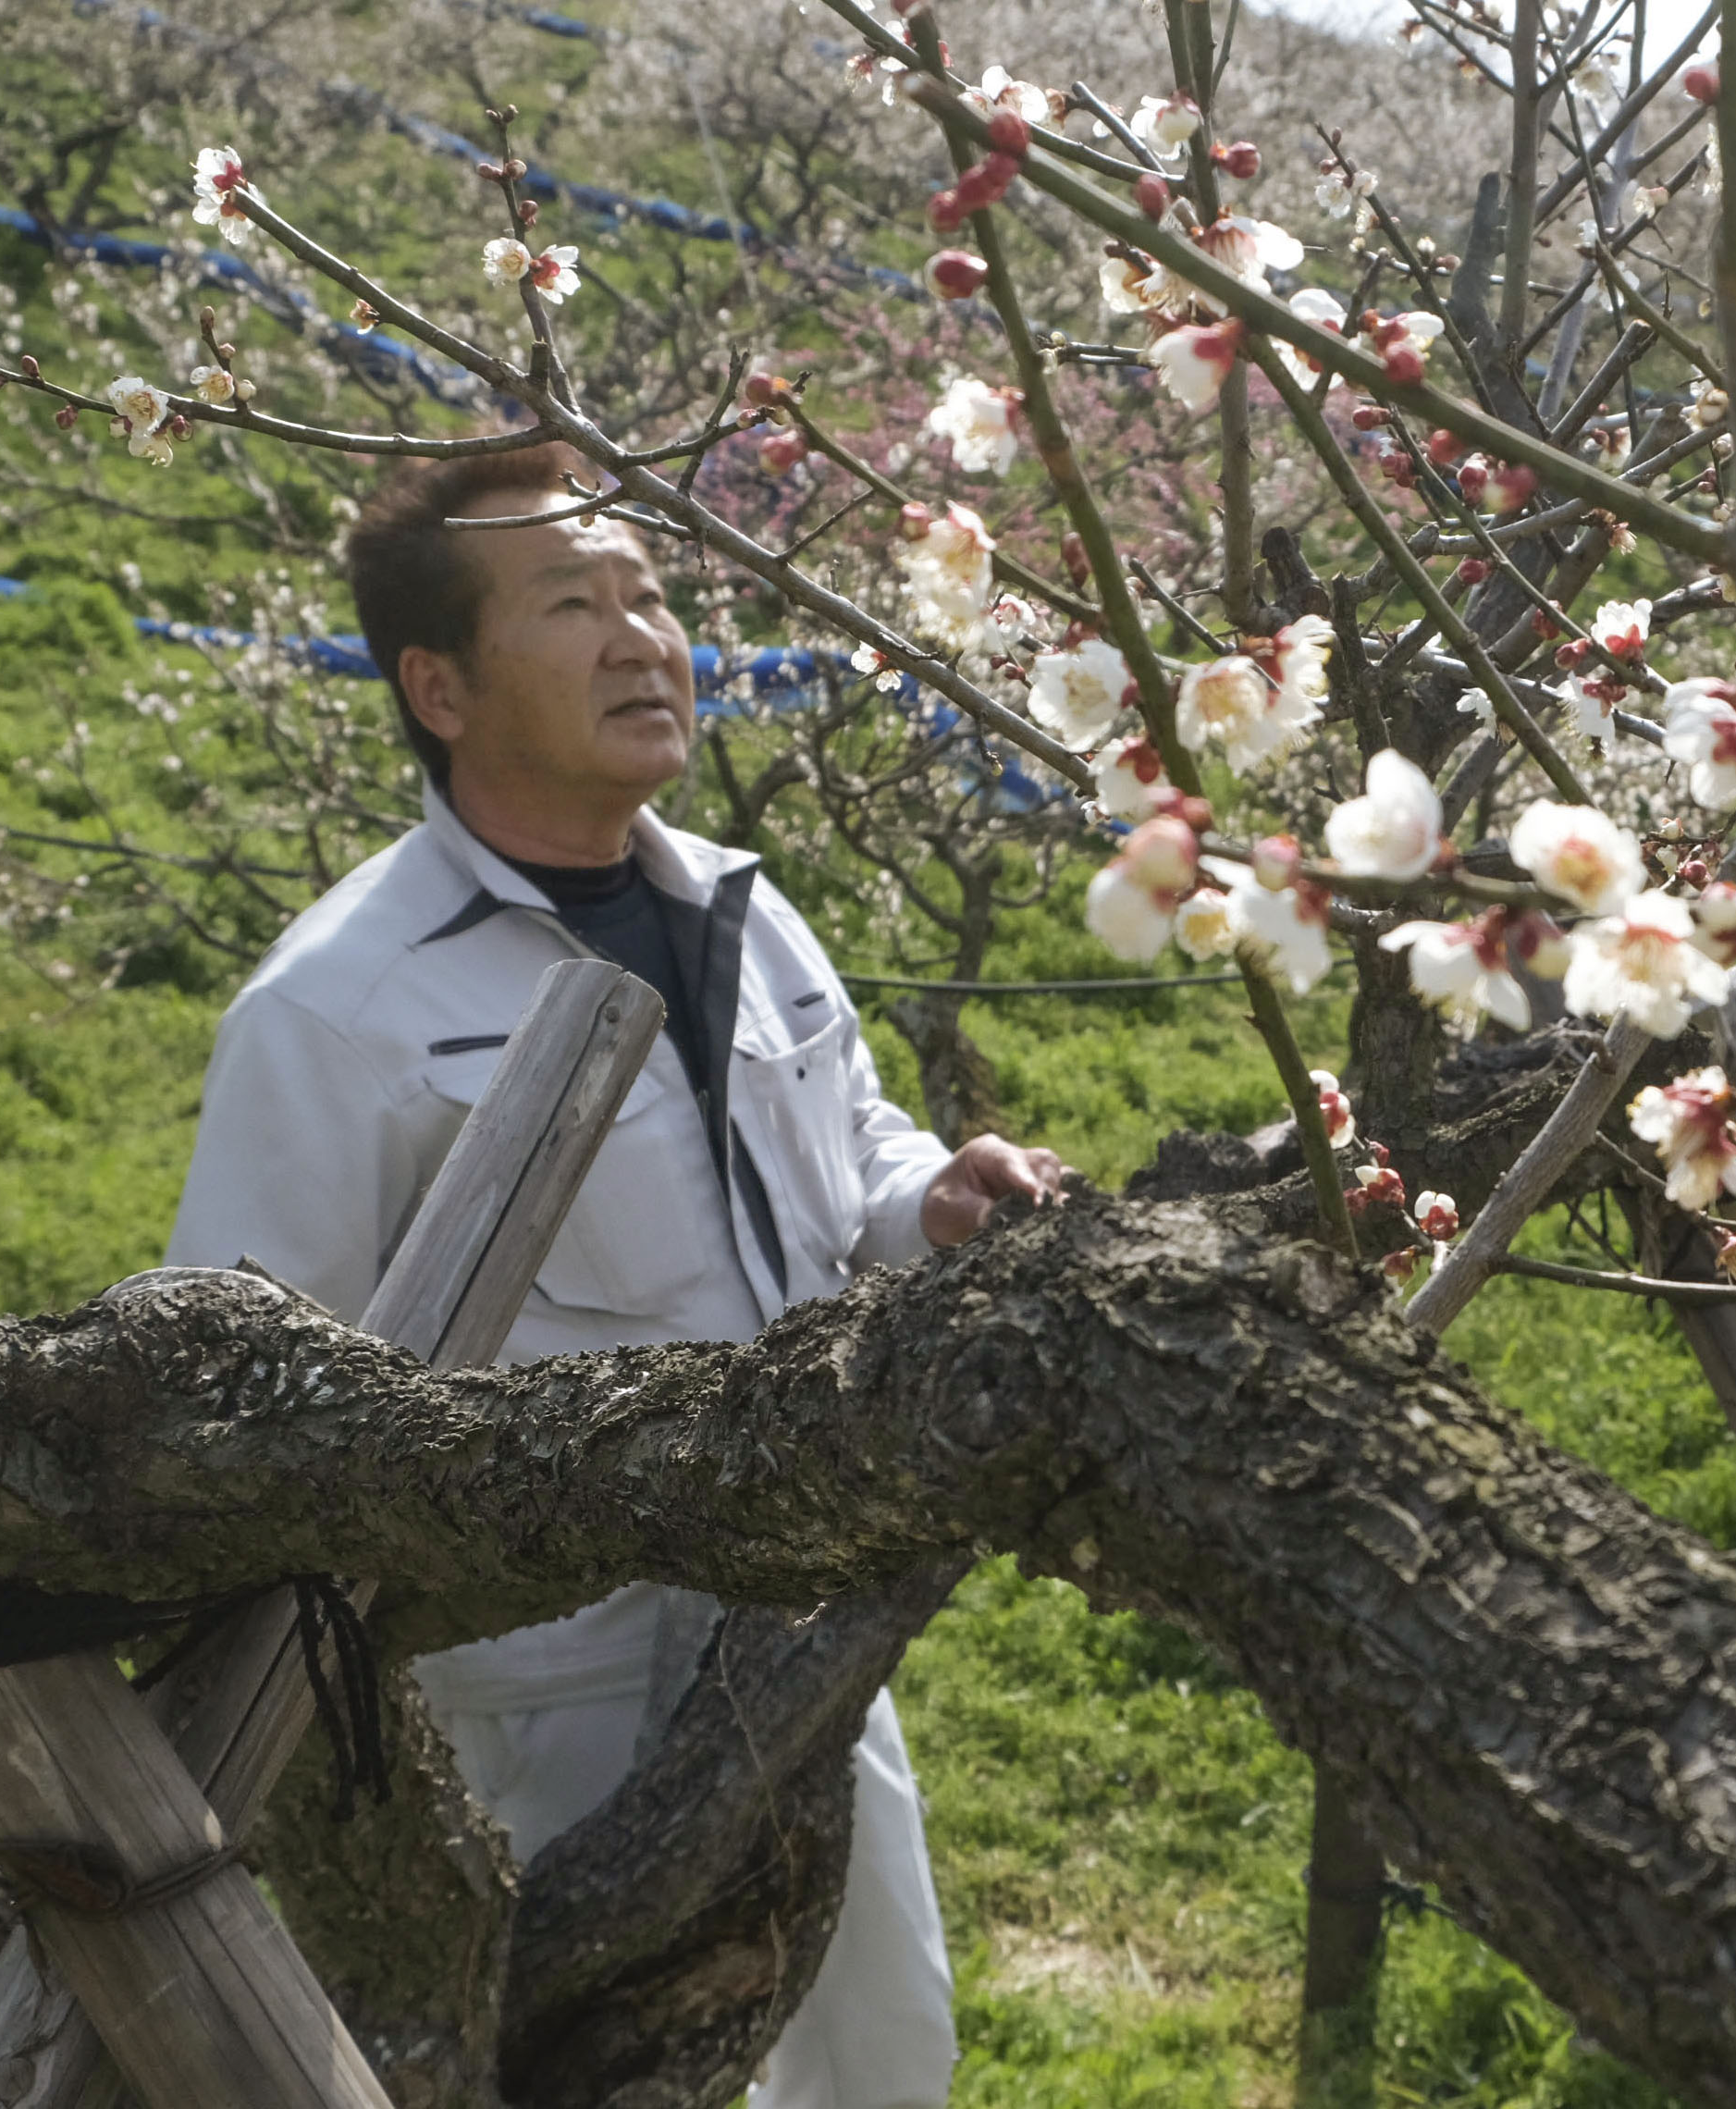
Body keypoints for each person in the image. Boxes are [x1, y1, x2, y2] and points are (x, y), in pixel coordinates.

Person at [166, 439, 1061, 2109]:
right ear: (438, 683)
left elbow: (845, 1152)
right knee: (560, 2075)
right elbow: (230, 1391)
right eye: (574, 602)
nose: (646, 637)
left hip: (797, 1627)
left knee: (876, 2057)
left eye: (652, 594)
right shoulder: (333, 1009)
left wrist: (926, 1201)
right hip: (537, 1682)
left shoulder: (740, 909)